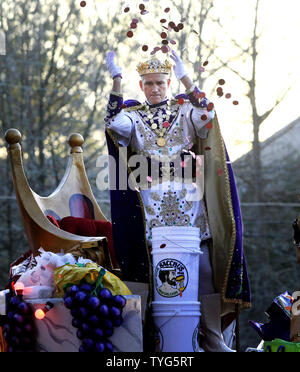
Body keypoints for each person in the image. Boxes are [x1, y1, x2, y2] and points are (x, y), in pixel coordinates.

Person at [104, 50, 251, 352]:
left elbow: (208, 117)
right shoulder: (133, 116)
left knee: (204, 269)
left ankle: (211, 337)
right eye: (148, 83)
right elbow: (114, 127)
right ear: (141, 85)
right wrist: (117, 82)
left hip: (190, 204)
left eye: (160, 82)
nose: (155, 88)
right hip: (151, 207)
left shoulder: (185, 110)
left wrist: (188, 80)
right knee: (157, 270)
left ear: (168, 82)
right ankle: (159, 339)